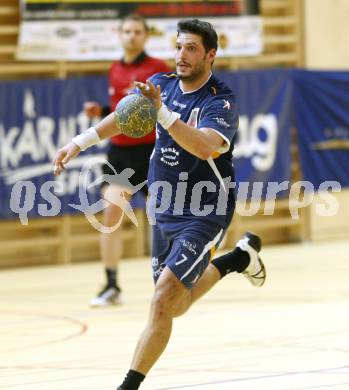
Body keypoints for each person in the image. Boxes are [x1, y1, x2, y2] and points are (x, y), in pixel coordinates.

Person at [53, 19, 266, 390]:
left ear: (210, 54)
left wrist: (163, 112)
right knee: (173, 304)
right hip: (164, 208)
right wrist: (79, 142)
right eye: (179, 47)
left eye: (192, 49)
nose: (181, 55)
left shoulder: (221, 99)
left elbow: (203, 145)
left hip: (204, 211)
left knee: (161, 300)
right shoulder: (163, 85)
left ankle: (128, 386)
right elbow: (123, 117)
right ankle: (237, 260)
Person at [84, 14, 170, 307]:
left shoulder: (157, 69)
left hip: (152, 153)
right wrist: (102, 110)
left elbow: (164, 107)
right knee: (111, 212)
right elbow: (125, 111)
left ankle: (175, 277)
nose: (132, 36)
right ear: (119, 35)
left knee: (164, 218)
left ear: (145, 36)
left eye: (137, 31)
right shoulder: (115, 69)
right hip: (120, 155)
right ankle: (111, 284)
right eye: (127, 31)